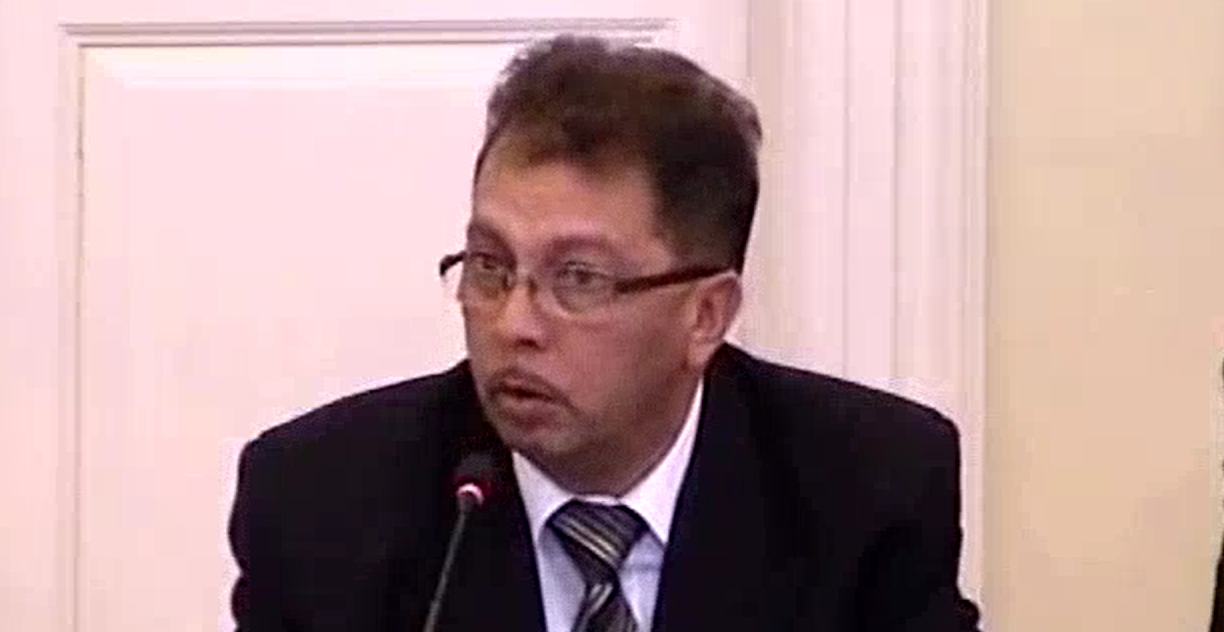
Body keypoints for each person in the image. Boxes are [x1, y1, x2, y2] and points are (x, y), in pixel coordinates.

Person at [227, 35, 983, 632]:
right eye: (490, 266)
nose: (514, 324)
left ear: (705, 316)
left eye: (578, 279)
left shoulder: (867, 493)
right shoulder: (320, 507)